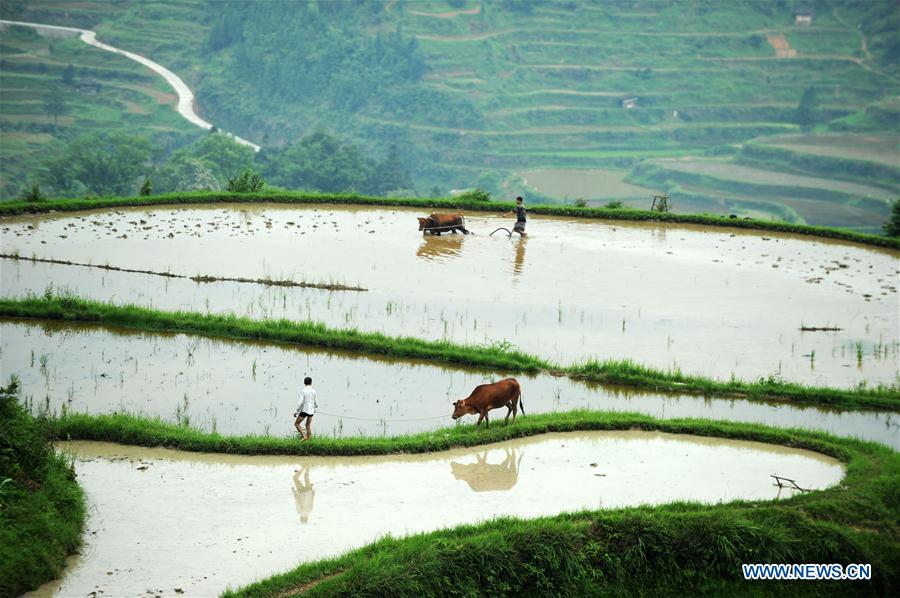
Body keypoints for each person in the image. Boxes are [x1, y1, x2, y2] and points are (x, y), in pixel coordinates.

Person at [294, 376, 318, 441]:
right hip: (311, 411)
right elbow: (316, 403)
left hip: (305, 410)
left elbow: (300, 403)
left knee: (296, 424)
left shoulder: (303, 391)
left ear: (304, 383)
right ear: (311, 383)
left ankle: (304, 436)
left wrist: (297, 412)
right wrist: (314, 408)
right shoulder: (314, 391)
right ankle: (309, 441)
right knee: (308, 425)